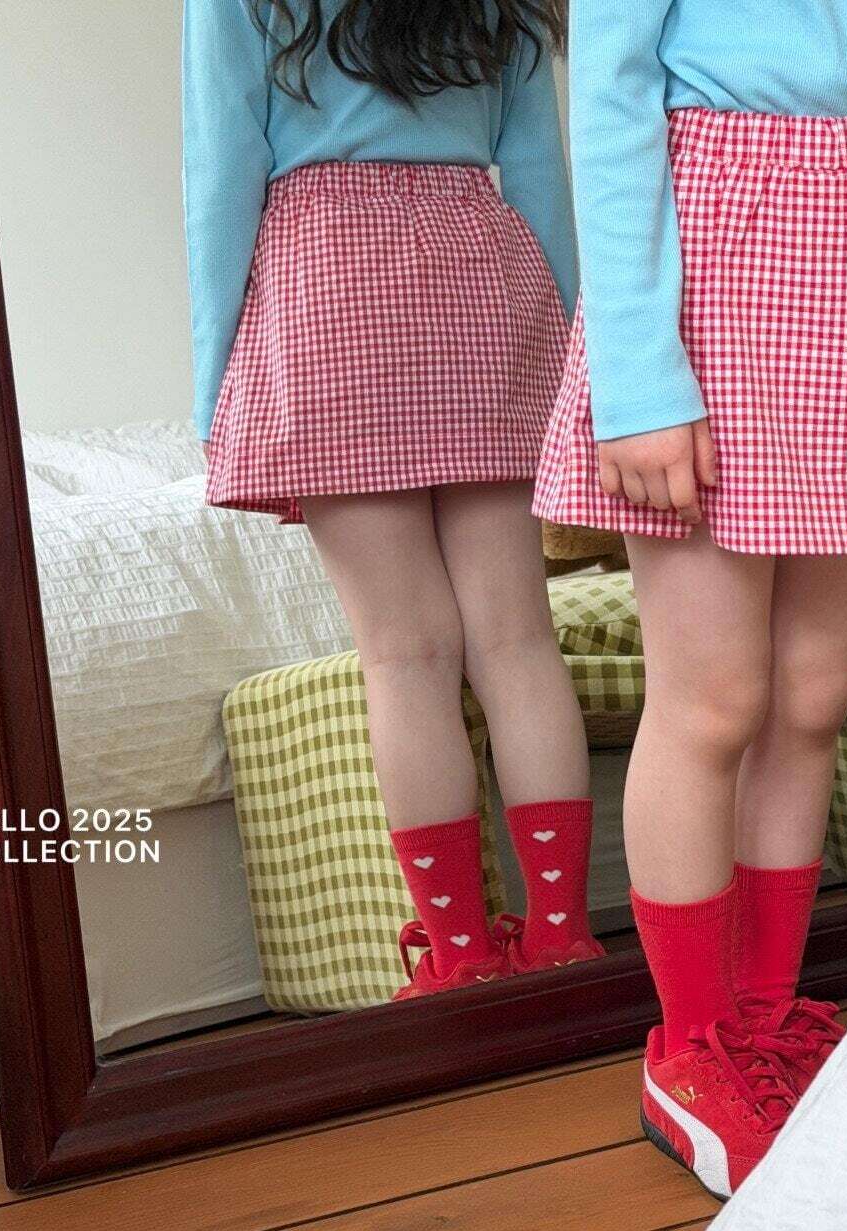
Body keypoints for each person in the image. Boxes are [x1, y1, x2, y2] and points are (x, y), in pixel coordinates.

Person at [534, 0, 847, 1197]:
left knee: (810, 696)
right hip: (719, 258)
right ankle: (692, 1043)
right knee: (713, 700)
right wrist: (639, 377)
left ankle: (762, 1019)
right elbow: (611, 90)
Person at [183, 0, 603, 999]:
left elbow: (222, 175)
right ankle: (559, 940)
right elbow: (540, 173)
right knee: (517, 641)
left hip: (324, 284)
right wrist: (575, 360)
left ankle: (458, 958)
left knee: (404, 655)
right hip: (481, 274)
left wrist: (215, 386)